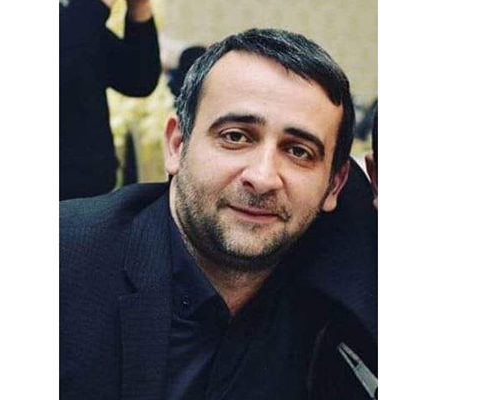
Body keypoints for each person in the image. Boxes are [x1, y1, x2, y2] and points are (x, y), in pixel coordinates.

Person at [61, 28, 372, 399]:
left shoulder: (339, 289)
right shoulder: (64, 263)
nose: (262, 178)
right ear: (177, 145)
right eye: (235, 136)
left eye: (299, 152)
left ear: (334, 186)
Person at [60, 0, 161, 200]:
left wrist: (139, 9)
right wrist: (97, 5)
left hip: (93, 189)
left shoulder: (72, 19)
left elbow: (138, 80)